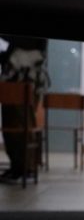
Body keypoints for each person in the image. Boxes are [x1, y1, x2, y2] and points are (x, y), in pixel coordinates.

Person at [0, 35, 48, 183]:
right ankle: (17, 167)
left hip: (25, 80)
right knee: (10, 127)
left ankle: (26, 168)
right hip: (12, 81)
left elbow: (28, 43)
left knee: (22, 126)